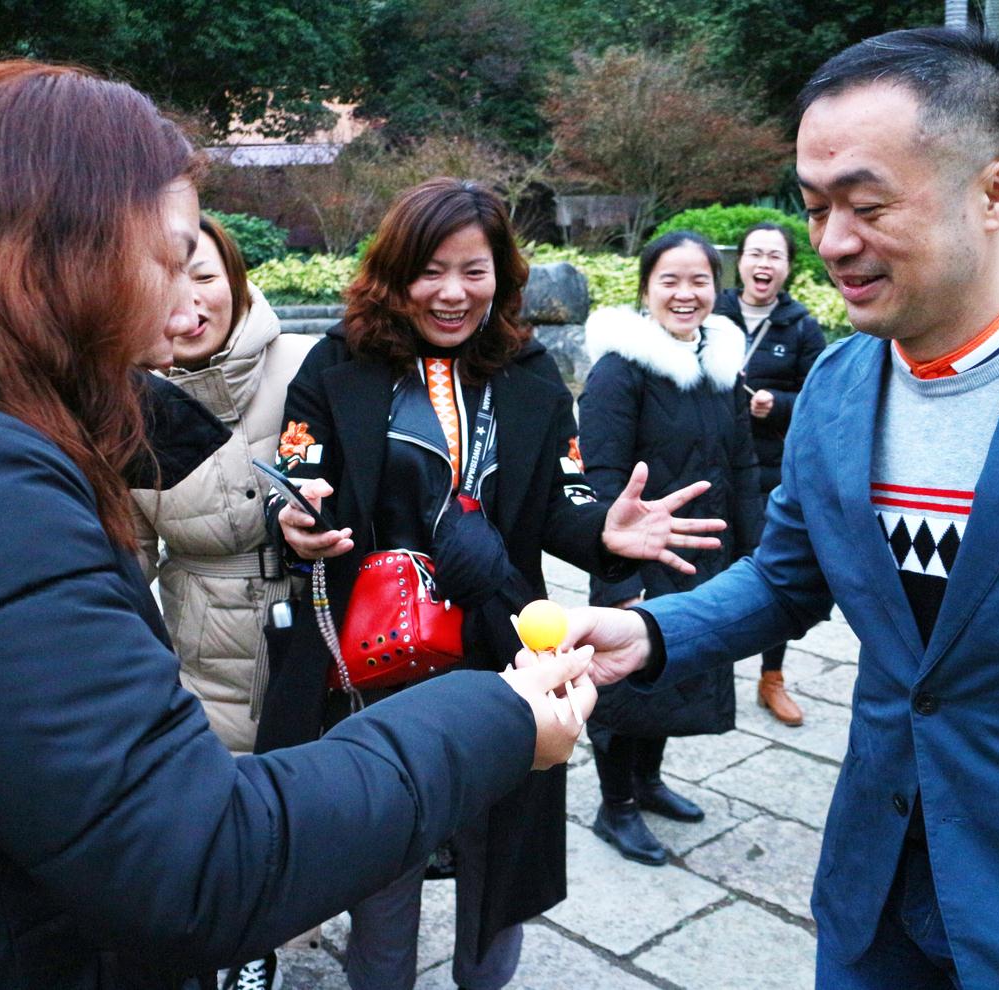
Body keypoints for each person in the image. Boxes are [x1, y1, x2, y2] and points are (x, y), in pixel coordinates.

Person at [0, 62, 599, 990]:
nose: (190, 307)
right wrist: (498, 716)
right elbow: (199, 866)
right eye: (169, 259)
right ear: (70, 249)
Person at [568, 28, 999, 989]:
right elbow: (788, 576)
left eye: (866, 206)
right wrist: (652, 633)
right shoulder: (838, 386)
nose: (831, 243)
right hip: (872, 902)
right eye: (815, 207)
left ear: (995, 192)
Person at [256, 177, 723, 990]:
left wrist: (604, 531)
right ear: (393, 273)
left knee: (500, 857)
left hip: (505, 650)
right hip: (373, 662)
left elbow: (563, 501)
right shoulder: (337, 366)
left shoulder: (529, 373)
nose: (451, 293)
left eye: (473, 271)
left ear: (501, 275)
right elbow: (298, 479)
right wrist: (295, 520)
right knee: (382, 863)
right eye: (429, 270)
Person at [576, 230, 762, 866]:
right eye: (670, 281)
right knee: (624, 681)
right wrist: (619, 575)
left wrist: (756, 555)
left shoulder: (720, 366)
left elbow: (742, 464)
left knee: (676, 669)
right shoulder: (619, 371)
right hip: (638, 556)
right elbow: (600, 478)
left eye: (699, 281)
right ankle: (616, 805)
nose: (686, 294)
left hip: (705, 553)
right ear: (645, 289)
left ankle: (647, 782)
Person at [132, 215, 315, 756]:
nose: (187, 300)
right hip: (201, 669)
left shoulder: (310, 365)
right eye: (164, 278)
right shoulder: (127, 403)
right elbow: (127, 557)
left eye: (205, 277)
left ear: (235, 279)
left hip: (323, 641)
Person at [714, 221, 828, 726]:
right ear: (739, 261)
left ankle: (771, 677)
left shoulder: (801, 327)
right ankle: (704, 667)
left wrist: (777, 404)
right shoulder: (711, 313)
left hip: (769, 469)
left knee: (775, 570)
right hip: (710, 462)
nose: (764, 264)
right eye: (755, 253)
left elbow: (822, 400)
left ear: (788, 267)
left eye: (775, 256)